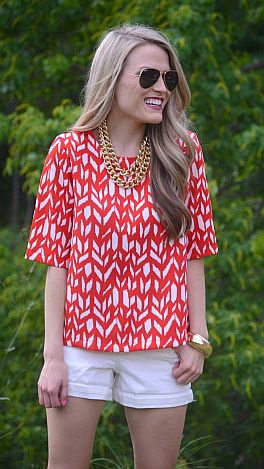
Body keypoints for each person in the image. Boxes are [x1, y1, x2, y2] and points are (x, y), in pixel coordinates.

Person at [24, 24, 218, 469]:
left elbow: (193, 253)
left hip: (161, 346)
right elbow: (57, 261)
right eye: (148, 76)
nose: (162, 89)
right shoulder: (69, 152)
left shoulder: (183, 151)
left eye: (169, 79)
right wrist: (53, 357)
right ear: (113, 78)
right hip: (81, 342)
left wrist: (197, 338)